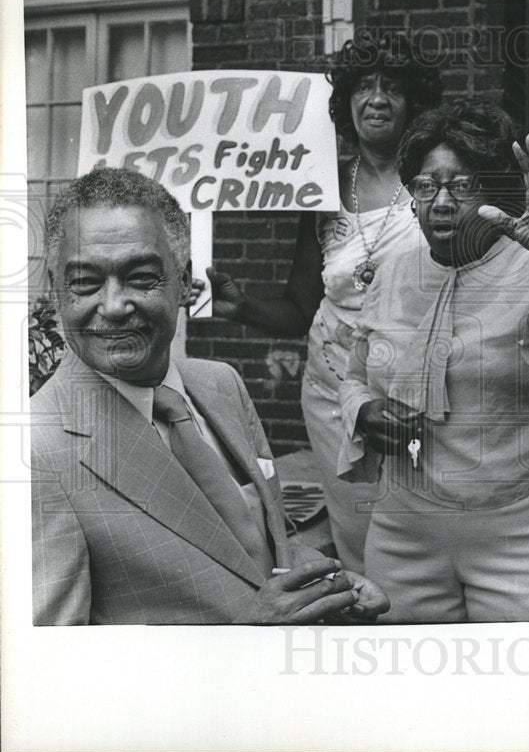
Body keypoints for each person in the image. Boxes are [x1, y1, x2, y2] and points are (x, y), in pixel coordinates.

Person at [32, 167, 388, 625]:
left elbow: (257, 544)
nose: (115, 305)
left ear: (184, 282)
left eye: (141, 277)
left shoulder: (221, 384)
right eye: (85, 282)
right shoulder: (36, 451)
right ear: (54, 289)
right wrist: (236, 642)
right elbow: (51, 673)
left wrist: (327, 583)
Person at [337, 99, 529, 623]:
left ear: (493, 193)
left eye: (462, 186)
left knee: (525, 690)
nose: (442, 202)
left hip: (526, 535)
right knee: (407, 691)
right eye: (427, 186)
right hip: (404, 536)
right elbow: (356, 374)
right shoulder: (393, 271)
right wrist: (364, 413)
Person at [205, 32, 442, 573]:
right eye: (363, 87)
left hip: (416, 390)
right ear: (346, 102)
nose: (376, 99)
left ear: (414, 102)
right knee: (359, 539)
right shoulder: (321, 188)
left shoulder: (438, 181)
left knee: (421, 535)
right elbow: (299, 307)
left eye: (392, 88)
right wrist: (242, 308)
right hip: (333, 392)